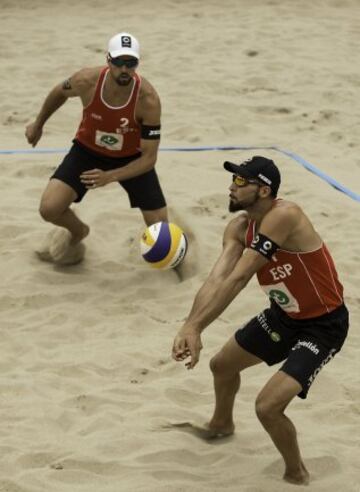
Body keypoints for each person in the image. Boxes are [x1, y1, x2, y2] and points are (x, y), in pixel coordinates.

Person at [172, 156, 349, 485]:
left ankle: (296, 473)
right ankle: (221, 425)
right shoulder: (239, 227)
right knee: (222, 366)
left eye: (241, 182)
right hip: (284, 317)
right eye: (233, 180)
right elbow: (217, 279)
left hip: (323, 325)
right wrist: (189, 324)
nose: (231, 187)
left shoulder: (285, 215)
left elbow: (239, 279)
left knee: (267, 407)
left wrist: (197, 327)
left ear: (264, 189)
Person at [25, 32, 167, 264]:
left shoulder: (148, 99)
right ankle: (79, 232)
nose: (124, 69)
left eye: (130, 63)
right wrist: (38, 123)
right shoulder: (86, 80)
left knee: (162, 238)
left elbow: (149, 159)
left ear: (137, 64)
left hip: (131, 159)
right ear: (108, 60)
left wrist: (109, 176)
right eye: (118, 62)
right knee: (49, 209)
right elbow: (58, 92)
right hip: (87, 151)